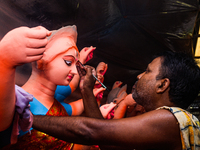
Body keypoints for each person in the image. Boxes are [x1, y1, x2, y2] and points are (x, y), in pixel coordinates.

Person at [33, 51, 200, 150]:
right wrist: (86, 89)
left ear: (162, 85)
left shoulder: (173, 119)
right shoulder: (170, 122)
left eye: (147, 71)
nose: (139, 76)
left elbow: (91, 131)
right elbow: (105, 141)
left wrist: (27, 117)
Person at [0, 25, 102, 149]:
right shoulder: (17, 102)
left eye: (76, 64)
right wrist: (5, 60)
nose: (75, 71)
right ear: (40, 60)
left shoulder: (55, 98)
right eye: (68, 62)